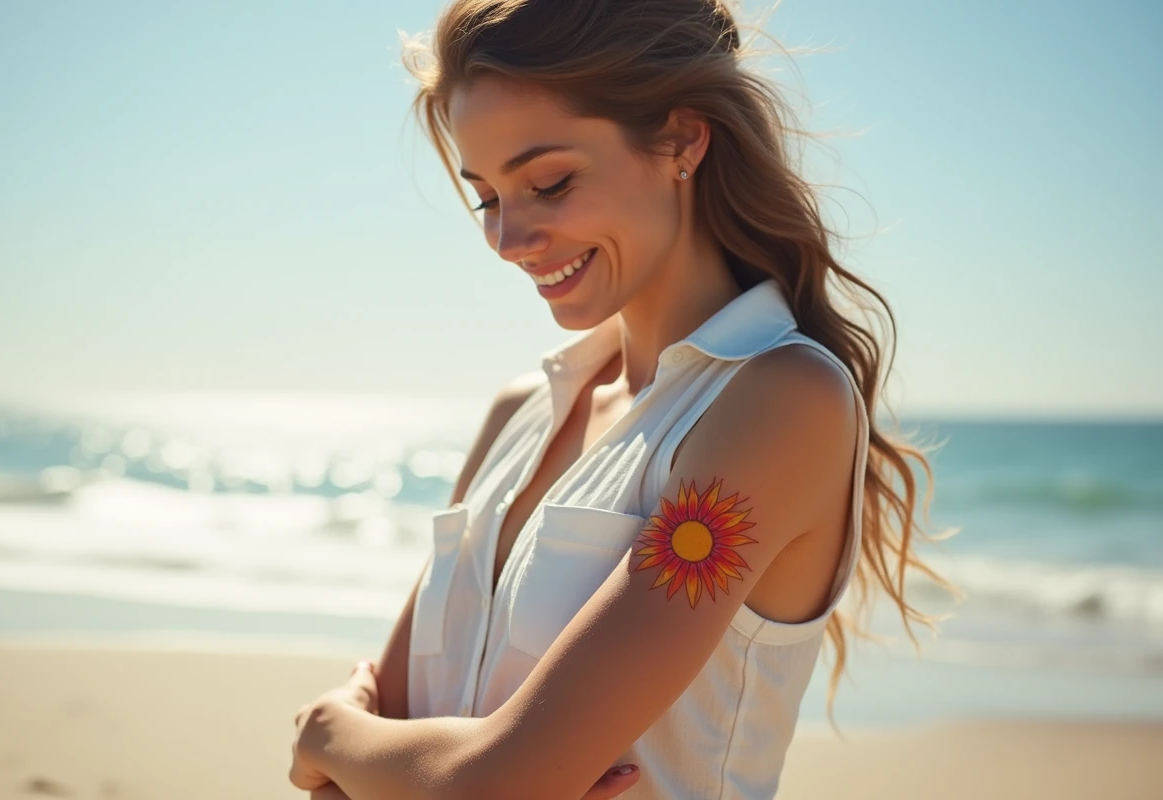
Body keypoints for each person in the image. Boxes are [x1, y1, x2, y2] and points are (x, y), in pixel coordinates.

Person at [290, 1, 947, 797]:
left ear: (681, 139)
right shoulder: (519, 412)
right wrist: (425, 765)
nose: (508, 240)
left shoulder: (783, 402)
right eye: (488, 198)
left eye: (549, 182)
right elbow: (391, 757)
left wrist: (330, 731)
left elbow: (483, 784)